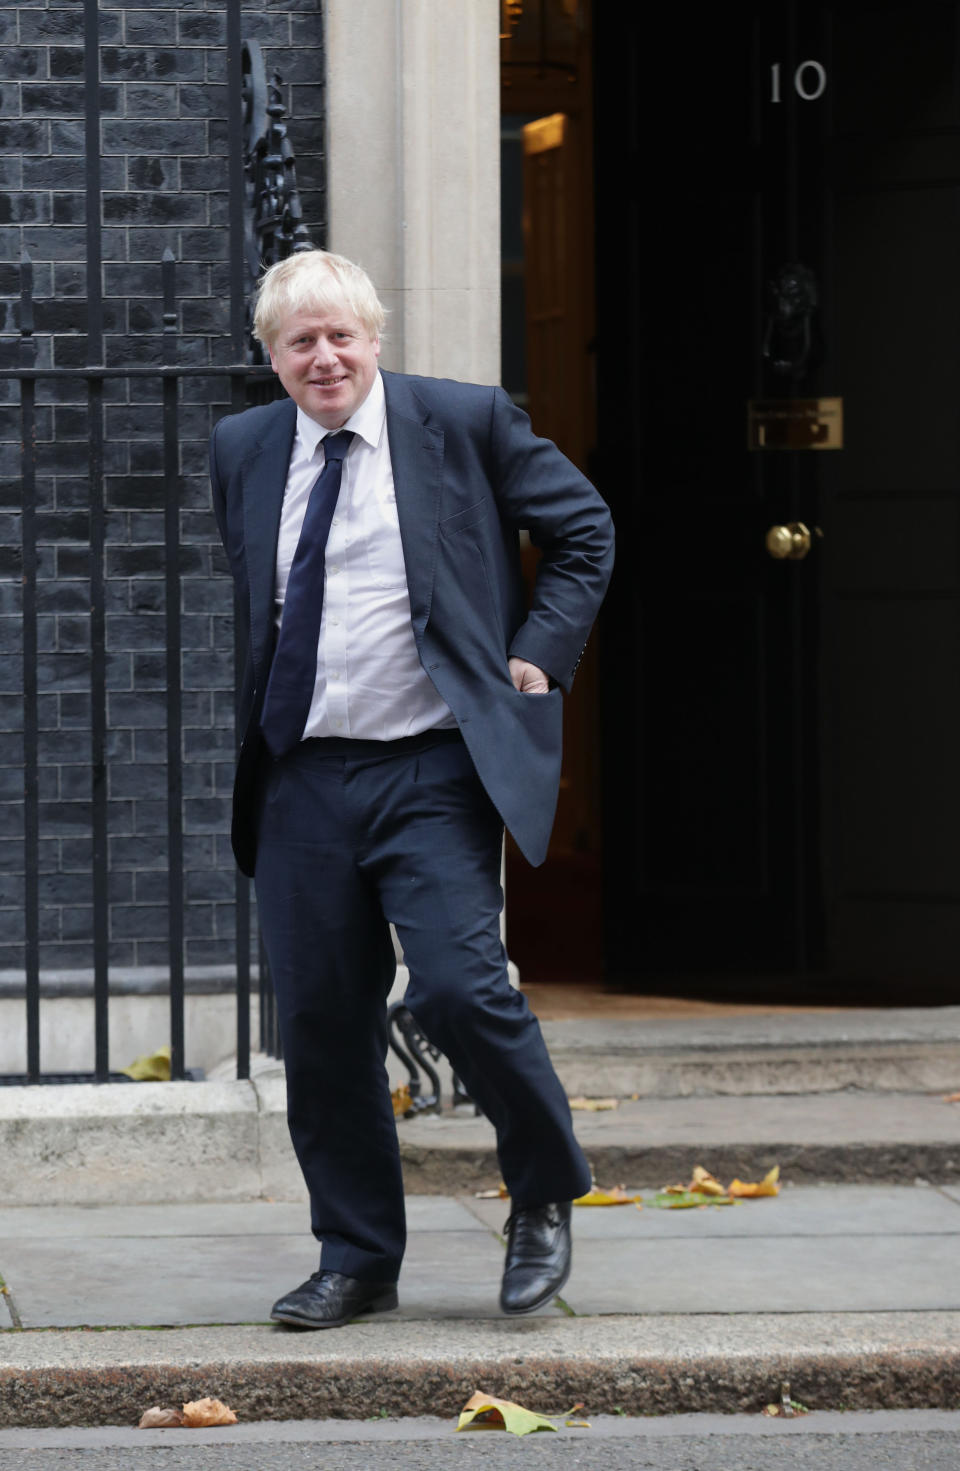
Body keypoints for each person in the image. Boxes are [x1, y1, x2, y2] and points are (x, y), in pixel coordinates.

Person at [210, 248, 615, 1329]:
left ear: (375, 339)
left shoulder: (463, 422)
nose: (325, 356)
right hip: (302, 774)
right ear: (273, 358)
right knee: (323, 1022)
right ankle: (357, 1256)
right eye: (301, 341)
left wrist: (539, 652)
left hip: (429, 766)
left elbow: (583, 530)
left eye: (342, 334)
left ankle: (541, 1190)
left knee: (458, 984)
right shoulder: (244, 447)